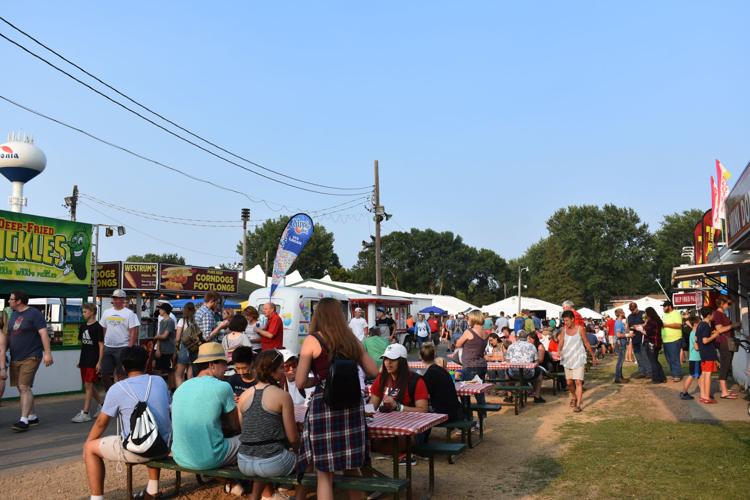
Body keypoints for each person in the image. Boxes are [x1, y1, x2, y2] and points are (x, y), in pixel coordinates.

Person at [295, 297, 378, 500]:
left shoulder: (312, 340)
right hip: (352, 404)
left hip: (324, 405)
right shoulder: (352, 340)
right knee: (352, 467)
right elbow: (374, 371)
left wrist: (317, 381)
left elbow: (299, 382)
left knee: (325, 474)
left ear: (319, 316)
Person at [83, 346, 171, 500]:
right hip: (164, 445)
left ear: (123, 367)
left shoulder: (117, 388)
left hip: (139, 450)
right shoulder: (159, 381)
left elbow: (101, 423)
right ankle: (152, 490)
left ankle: (96, 498)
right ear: (146, 364)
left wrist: (88, 441)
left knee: (90, 448)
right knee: (151, 427)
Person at [237, 350, 300, 500]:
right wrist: (299, 453)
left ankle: (257, 497)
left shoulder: (244, 396)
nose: (284, 371)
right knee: (308, 462)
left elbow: (245, 431)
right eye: (281, 368)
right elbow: (293, 438)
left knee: (261, 459)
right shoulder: (282, 396)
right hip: (272, 462)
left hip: (244, 461)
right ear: (273, 371)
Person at [172, 342, 242, 472]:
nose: (226, 368)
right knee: (250, 440)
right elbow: (235, 426)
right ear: (212, 365)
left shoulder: (182, 387)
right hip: (209, 459)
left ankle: (231, 484)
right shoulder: (223, 387)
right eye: (224, 364)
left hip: (180, 457)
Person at [369, 343, 429, 465]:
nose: (387, 363)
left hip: (412, 429)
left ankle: (398, 452)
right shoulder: (381, 378)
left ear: (402, 361)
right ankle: (395, 451)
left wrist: (398, 407)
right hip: (387, 426)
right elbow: (371, 407)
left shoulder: (416, 380)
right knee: (364, 438)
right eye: (386, 359)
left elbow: (423, 410)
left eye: (392, 359)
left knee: (391, 442)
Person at [7, 290, 54, 432]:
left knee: (23, 386)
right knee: (22, 387)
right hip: (16, 356)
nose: (9, 301)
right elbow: (10, 335)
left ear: (19, 301)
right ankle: (32, 416)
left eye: (11, 299)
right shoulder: (13, 314)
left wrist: (47, 353)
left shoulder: (34, 314)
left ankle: (23, 420)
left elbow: (43, 333)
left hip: (32, 355)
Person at [99, 289, 140, 390]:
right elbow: (103, 328)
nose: (117, 300)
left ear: (123, 300)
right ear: (112, 299)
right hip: (108, 347)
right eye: (115, 298)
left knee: (121, 374)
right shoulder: (106, 312)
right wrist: (104, 344)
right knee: (104, 373)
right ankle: (111, 393)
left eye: (119, 298)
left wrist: (129, 348)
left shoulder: (129, 313)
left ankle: (122, 394)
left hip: (123, 347)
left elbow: (133, 331)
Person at [558, 310, 597, 413]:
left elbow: (586, 342)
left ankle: (578, 404)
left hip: (579, 358)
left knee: (578, 382)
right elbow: (561, 342)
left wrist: (593, 356)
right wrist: (559, 351)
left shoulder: (581, 329)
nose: (565, 322)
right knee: (569, 383)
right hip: (567, 359)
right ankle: (574, 397)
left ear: (572, 319)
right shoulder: (563, 330)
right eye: (564, 320)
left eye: (567, 320)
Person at [72, 303, 104, 423]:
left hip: (93, 360)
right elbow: (83, 344)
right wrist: (80, 360)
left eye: (85, 311)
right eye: (83, 311)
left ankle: (85, 413)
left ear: (91, 312)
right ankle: (102, 405)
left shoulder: (98, 327)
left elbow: (101, 346)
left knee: (88, 385)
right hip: (84, 359)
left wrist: (99, 362)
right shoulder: (83, 326)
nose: (83, 313)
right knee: (89, 385)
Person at [455, 309, 489, 411]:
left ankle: (467, 418)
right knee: (480, 393)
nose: (467, 320)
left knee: (465, 393)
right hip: (482, 366)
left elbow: (458, 344)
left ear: (473, 318)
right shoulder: (485, 333)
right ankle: (482, 418)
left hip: (470, 366)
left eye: (468, 318)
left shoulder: (468, 332)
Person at [419, 343, 462, 422]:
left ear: (421, 357)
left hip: (443, 414)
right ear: (434, 356)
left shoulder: (429, 374)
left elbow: (423, 397)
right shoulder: (442, 370)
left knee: (419, 409)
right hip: (455, 411)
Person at [711, 296, 740, 399]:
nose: (729, 306)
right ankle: (724, 392)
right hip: (724, 343)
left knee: (727, 366)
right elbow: (719, 329)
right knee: (725, 366)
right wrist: (732, 326)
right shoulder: (718, 314)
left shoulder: (722, 314)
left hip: (726, 342)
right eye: (728, 304)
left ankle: (724, 389)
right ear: (722, 303)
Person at [505, 330, 545, 403]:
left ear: (517, 337)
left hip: (513, 374)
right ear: (527, 337)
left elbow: (507, 361)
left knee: (507, 372)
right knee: (539, 373)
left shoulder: (511, 346)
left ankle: (509, 395)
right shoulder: (532, 346)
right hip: (528, 374)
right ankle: (537, 396)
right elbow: (536, 361)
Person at [697, 307, 719, 404]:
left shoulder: (700, 325)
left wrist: (711, 333)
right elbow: (704, 340)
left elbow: (697, 338)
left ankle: (702, 395)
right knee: (707, 374)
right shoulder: (706, 325)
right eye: (713, 314)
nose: (713, 316)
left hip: (702, 353)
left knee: (703, 374)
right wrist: (715, 335)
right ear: (709, 315)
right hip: (708, 353)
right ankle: (706, 397)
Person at [153, 303, 177, 387]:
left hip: (169, 350)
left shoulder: (170, 321)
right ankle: (160, 387)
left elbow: (164, 336)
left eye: (160, 309)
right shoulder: (162, 321)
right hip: (162, 350)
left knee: (170, 371)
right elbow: (161, 336)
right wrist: (158, 349)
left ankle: (171, 388)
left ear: (165, 310)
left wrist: (156, 337)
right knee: (158, 370)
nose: (159, 310)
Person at [174, 302, 197, 388]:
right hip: (194, 349)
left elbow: (177, 338)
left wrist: (176, 349)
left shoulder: (182, 321)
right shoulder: (195, 321)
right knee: (190, 376)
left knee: (179, 374)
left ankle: (180, 394)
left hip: (184, 349)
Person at [642, 307, 667, 384]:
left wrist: (641, 330)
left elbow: (648, 333)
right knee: (655, 360)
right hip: (657, 343)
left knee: (653, 361)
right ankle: (662, 377)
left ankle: (656, 378)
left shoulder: (651, 321)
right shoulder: (657, 320)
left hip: (651, 343)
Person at [680, 313, 701, 400]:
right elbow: (696, 347)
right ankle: (684, 392)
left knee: (699, 375)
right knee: (692, 375)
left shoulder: (695, 332)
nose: (701, 324)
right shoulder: (694, 333)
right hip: (695, 358)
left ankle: (703, 392)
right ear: (696, 324)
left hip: (696, 358)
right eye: (699, 322)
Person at [661, 301, 684, 382]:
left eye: (664, 306)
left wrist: (666, 325)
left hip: (674, 339)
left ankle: (677, 374)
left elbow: (679, 325)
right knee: (669, 359)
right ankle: (674, 373)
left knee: (674, 358)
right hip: (665, 340)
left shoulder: (676, 313)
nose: (663, 308)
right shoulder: (664, 315)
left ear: (669, 306)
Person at [627, 302, 650, 379]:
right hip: (634, 338)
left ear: (636, 307)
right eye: (631, 310)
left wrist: (639, 326)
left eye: (633, 309)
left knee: (644, 355)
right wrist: (630, 331)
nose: (632, 311)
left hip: (643, 337)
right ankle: (642, 371)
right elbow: (629, 327)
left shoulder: (643, 314)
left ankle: (649, 372)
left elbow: (647, 323)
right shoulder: (629, 316)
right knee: (638, 356)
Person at [613, 308, 630, 384]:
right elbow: (618, 335)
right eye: (623, 311)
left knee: (621, 360)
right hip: (620, 343)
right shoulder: (618, 323)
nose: (624, 313)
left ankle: (620, 377)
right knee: (620, 361)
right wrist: (628, 335)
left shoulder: (620, 322)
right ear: (620, 313)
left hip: (621, 343)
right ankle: (618, 378)